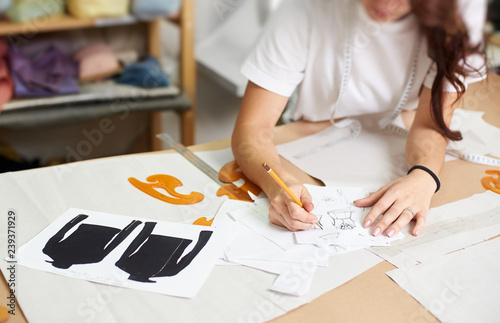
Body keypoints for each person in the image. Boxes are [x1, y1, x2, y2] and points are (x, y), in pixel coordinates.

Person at [231, 0, 487, 237]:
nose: (384, 4)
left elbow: (431, 123)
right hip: (308, 136)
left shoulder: (459, 13)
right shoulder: (304, 9)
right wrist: (279, 184)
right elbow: (252, 129)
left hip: (402, 128)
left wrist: (424, 176)